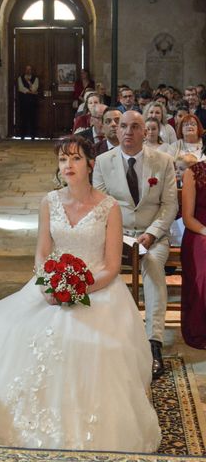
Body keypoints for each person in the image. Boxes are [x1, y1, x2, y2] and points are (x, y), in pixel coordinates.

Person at [0, 136, 161, 451]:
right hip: (51, 284)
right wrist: (49, 285)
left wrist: (78, 288)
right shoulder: (50, 201)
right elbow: (42, 253)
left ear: (90, 164)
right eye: (62, 160)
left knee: (94, 348)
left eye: (74, 159)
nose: (67, 166)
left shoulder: (109, 207)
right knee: (3, 330)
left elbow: (112, 267)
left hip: (97, 287)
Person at [94, 110, 178, 379]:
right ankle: (109, 338)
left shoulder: (163, 162)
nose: (128, 132)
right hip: (116, 236)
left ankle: (153, 343)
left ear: (146, 132)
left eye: (135, 127)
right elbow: (102, 206)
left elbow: (169, 205)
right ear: (117, 131)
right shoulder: (102, 162)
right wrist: (119, 237)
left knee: (152, 264)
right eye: (123, 127)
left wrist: (151, 235)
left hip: (153, 236)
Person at [180, 159, 206, 348]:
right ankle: (200, 330)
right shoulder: (193, 172)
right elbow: (188, 218)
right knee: (203, 271)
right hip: (199, 231)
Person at [17, 65, 39, 138]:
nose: (28, 71)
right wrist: (31, 92)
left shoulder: (36, 79)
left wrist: (29, 82)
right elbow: (21, 88)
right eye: (27, 69)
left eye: (29, 69)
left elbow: (34, 89)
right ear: (25, 70)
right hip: (23, 102)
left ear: (31, 70)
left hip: (32, 102)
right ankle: (22, 135)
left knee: (33, 119)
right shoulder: (20, 78)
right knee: (23, 119)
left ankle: (33, 135)